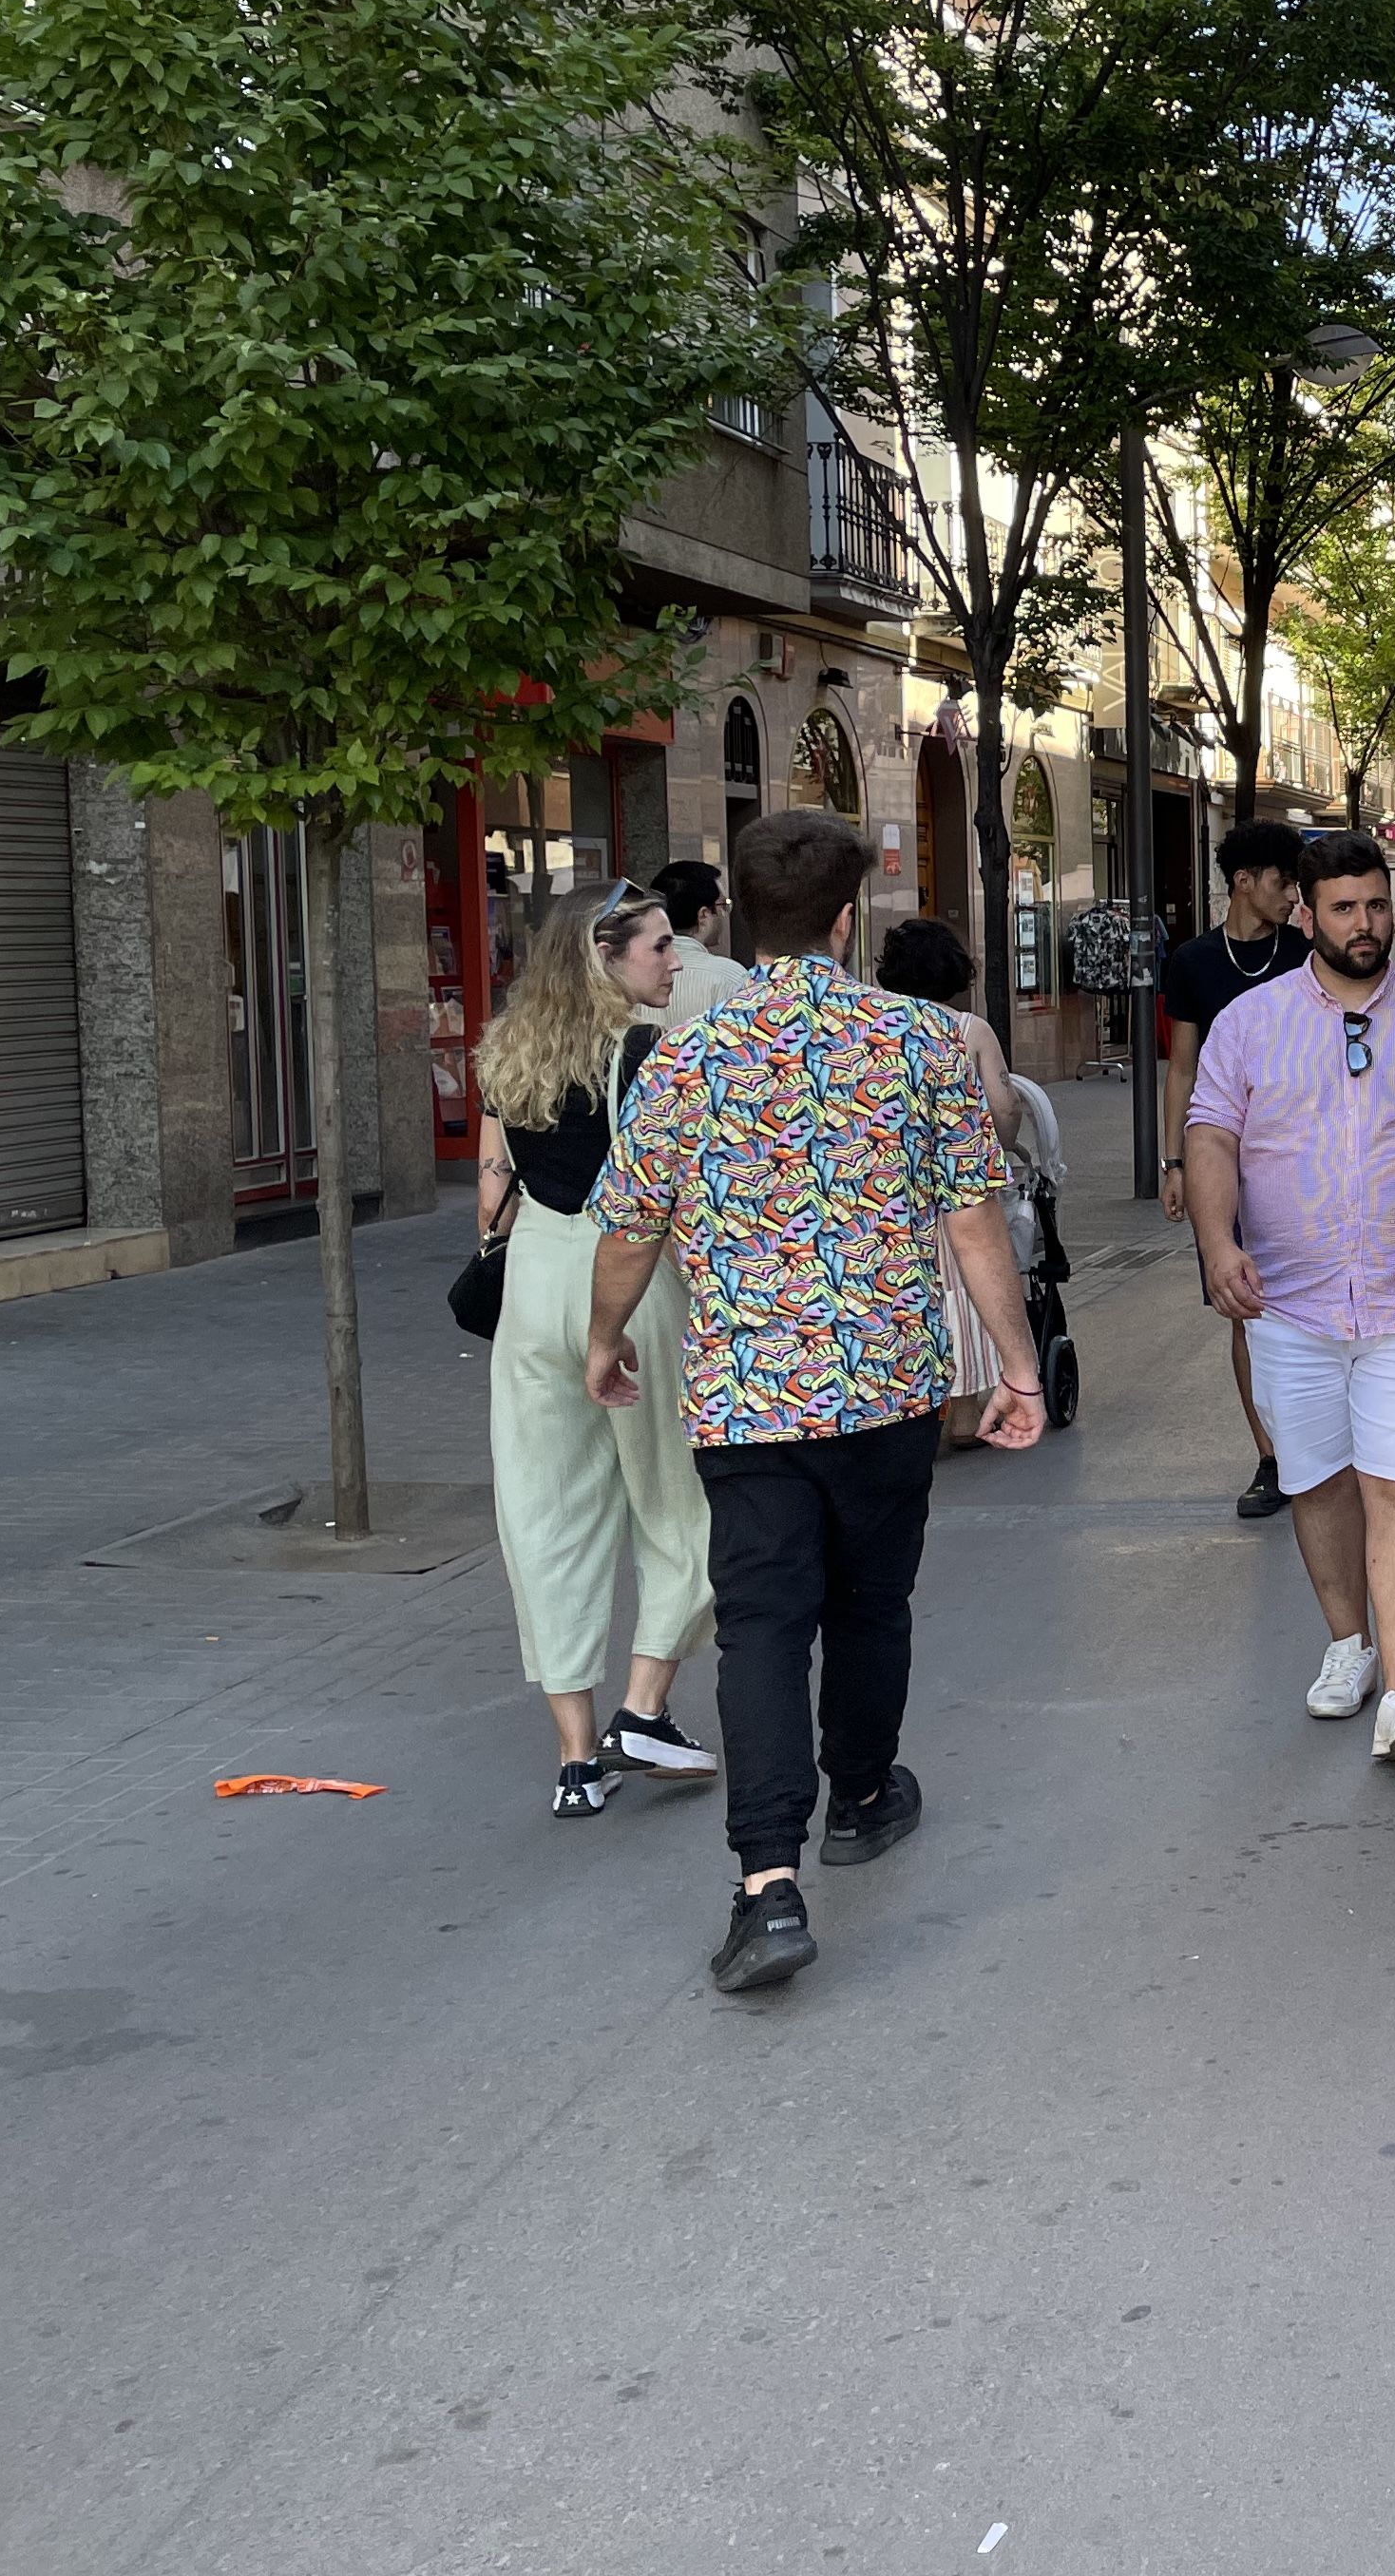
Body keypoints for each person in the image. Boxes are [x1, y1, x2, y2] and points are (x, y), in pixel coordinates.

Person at [586, 809, 1044, 1996]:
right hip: (890, 1387)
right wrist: (1020, 1365)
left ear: (736, 916)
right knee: (872, 1600)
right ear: (850, 918)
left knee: (762, 1626)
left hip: (745, 1398)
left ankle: (767, 1887)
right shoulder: (919, 1044)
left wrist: (603, 1343)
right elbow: (973, 1217)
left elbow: (631, 1233)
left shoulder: (683, 1058)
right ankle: (865, 1795)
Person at [1186, 830, 1395, 1765]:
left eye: (1377, 906)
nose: (1366, 924)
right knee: (1318, 1484)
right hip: (1290, 1308)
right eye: (1345, 908)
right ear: (1307, 915)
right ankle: (1349, 1644)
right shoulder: (1248, 1026)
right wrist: (1217, 1244)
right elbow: (1211, 1135)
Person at [474, 881, 717, 1818]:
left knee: (543, 1514)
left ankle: (576, 1760)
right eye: (657, 946)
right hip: (627, 1283)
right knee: (681, 1504)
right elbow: (676, 1203)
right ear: (603, 958)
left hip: (532, 1281)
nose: (673, 959)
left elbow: (491, 1184)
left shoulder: (503, 1055)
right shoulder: (650, 1059)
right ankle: (644, 1708)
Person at [1161, 820, 1313, 1520]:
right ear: (1245, 882)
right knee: (1245, 1309)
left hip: (1304, 1155)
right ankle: (1273, 1457)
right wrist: (1174, 1162)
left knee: (1309, 1300)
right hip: (1222, 1155)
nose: (1292, 895)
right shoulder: (1192, 961)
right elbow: (1182, 1069)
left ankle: (1320, 1445)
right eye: (1284, 882)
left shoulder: (1308, 952)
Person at [875, 915, 1025, 1447]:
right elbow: (1004, 1105)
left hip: (897, 1186)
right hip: (958, 1186)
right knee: (961, 1293)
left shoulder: (880, 1025)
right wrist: (1002, 1145)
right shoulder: (969, 1029)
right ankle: (964, 1418)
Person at [651, 859, 752, 1021]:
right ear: (704, 915)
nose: (724, 915)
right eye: (722, 906)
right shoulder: (731, 977)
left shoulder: (633, 972)